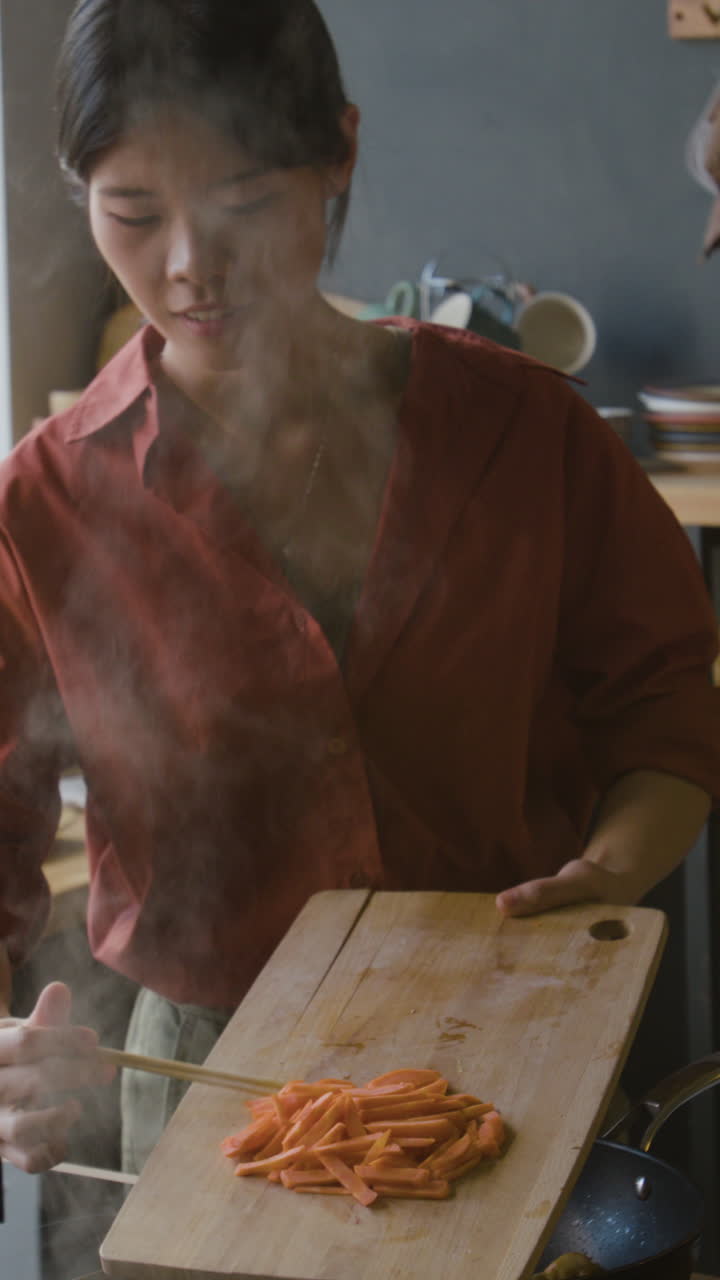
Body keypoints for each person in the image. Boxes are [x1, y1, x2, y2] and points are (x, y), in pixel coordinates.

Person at [0, 0, 718, 1177]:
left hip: (520, 1014)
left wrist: (610, 872)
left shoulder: (524, 432)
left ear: (338, 150)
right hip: (209, 1078)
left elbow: (665, 703)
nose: (189, 265)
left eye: (242, 204)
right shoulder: (42, 505)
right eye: (132, 211)